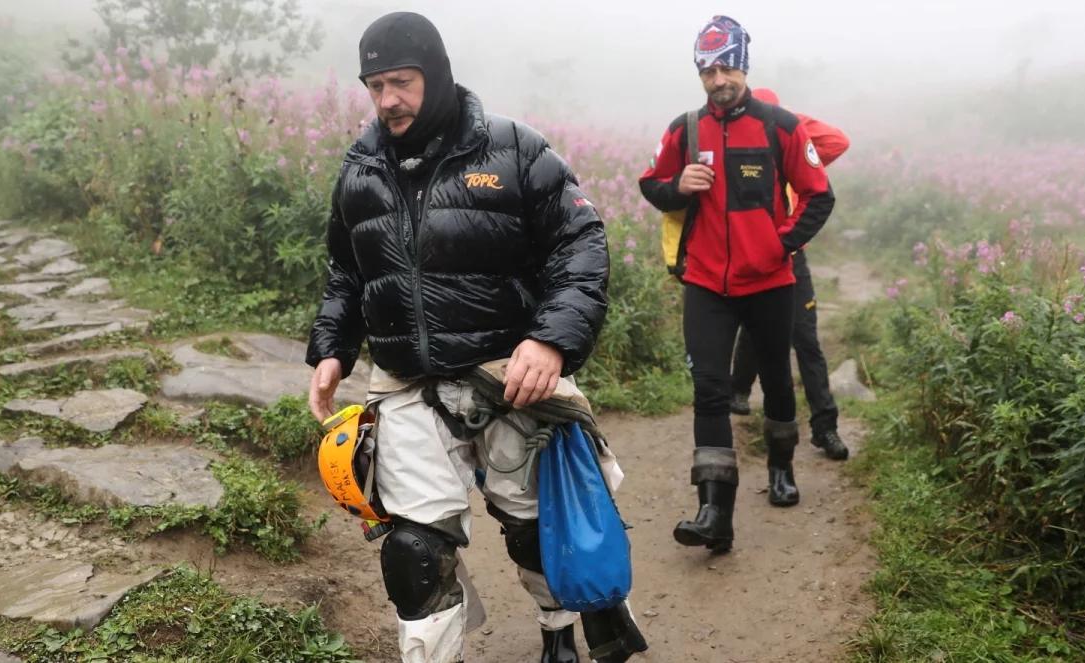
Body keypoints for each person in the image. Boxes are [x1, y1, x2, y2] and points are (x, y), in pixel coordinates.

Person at [305, 12, 645, 663]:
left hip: (508, 374)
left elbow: (581, 244)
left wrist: (550, 340)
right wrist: (331, 348)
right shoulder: (360, 169)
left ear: (435, 75)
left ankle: (560, 630)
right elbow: (347, 271)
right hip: (406, 382)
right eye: (373, 86)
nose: (387, 101)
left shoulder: (514, 149)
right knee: (414, 547)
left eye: (400, 82)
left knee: (532, 528)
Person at [638, 16, 835, 553]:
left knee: (775, 378)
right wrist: (677, 185)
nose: (718, 79)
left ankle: (780, 467)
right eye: (708, 70)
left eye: (726, 66)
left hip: (771, 281)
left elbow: (819, 194)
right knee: (709, 388)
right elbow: (651, 184)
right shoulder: (685, 130)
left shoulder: (781, 126)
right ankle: (714, 511)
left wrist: (782, 244)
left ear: (744, 65)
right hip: (706, 284)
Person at [727, 87, 851, 462]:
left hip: (790, 257)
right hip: (749, 258)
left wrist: (789, 125)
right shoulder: (735, 152)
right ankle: (739, 391)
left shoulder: (793, 148)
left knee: (807, 341)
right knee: (754, 329)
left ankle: (825, 428)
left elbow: (837, 142)